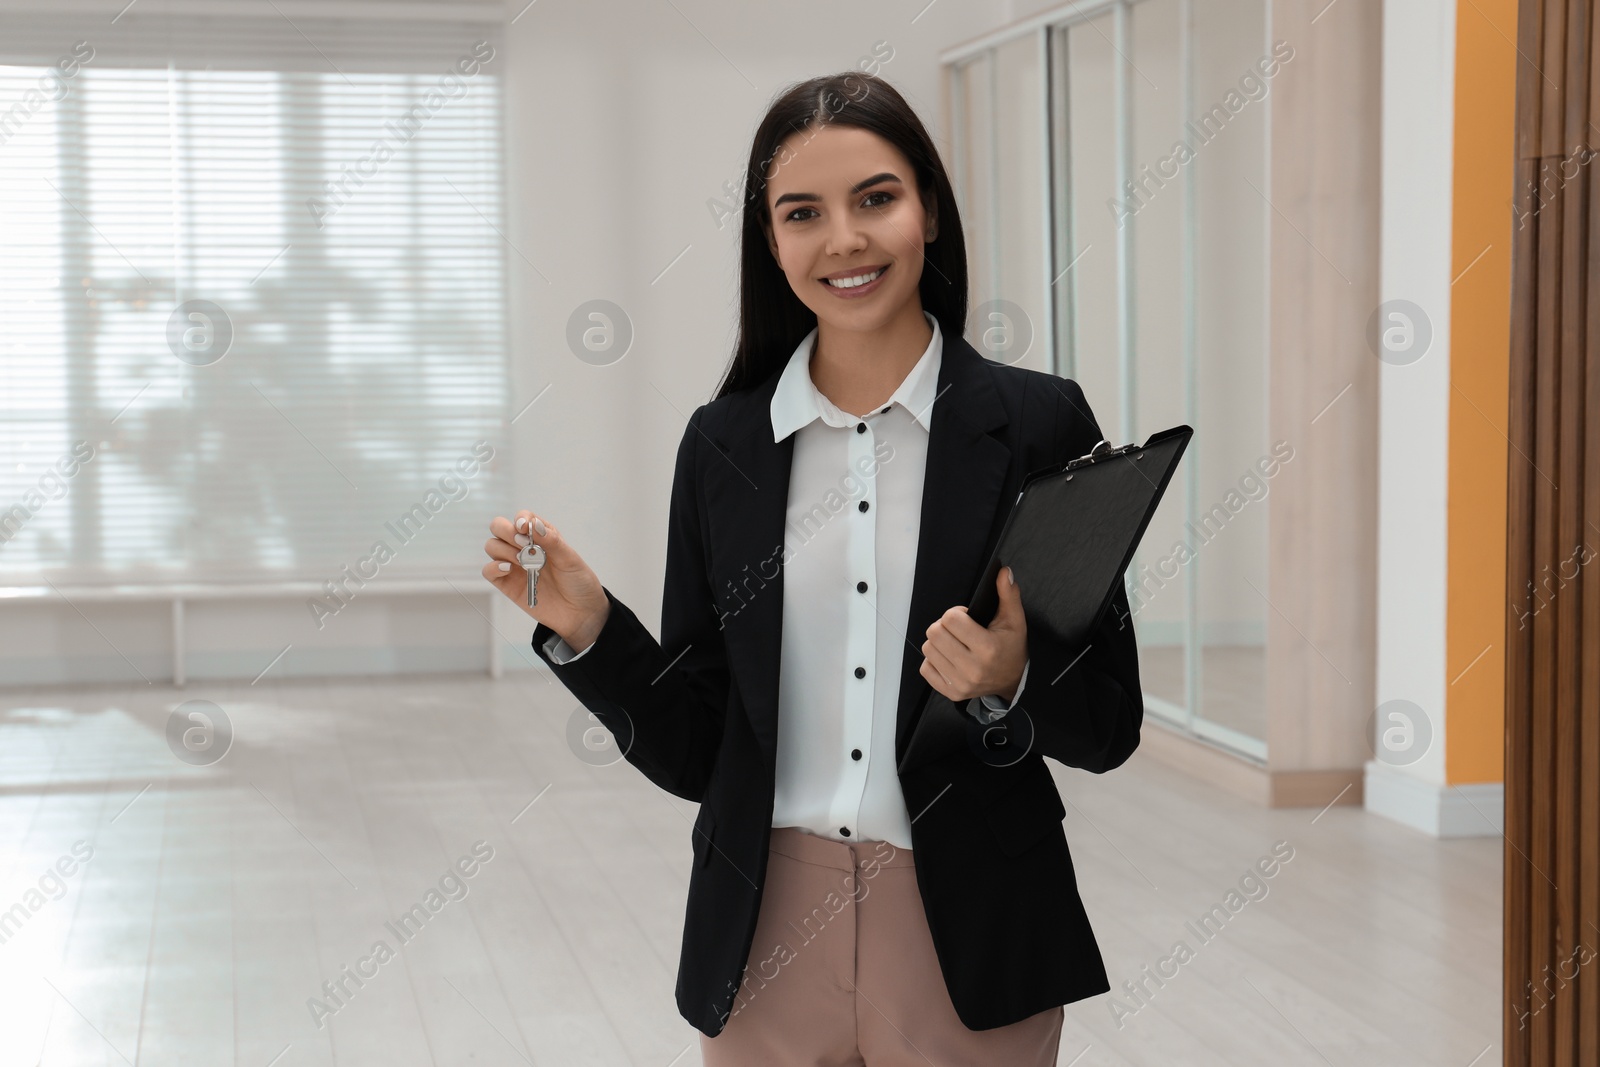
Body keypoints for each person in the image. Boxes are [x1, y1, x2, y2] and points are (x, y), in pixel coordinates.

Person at [483, 71, 1143, 1067]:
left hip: (971, 917)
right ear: (769, 241)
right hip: (765, 923)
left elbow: (1107, 722)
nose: (843, 240)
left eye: (875, 198)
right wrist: (592, 631)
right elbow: (699, 749)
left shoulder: (1039, 425)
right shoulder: (723, 445)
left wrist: (1009, 680)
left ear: (927, 208)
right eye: (803, 213)